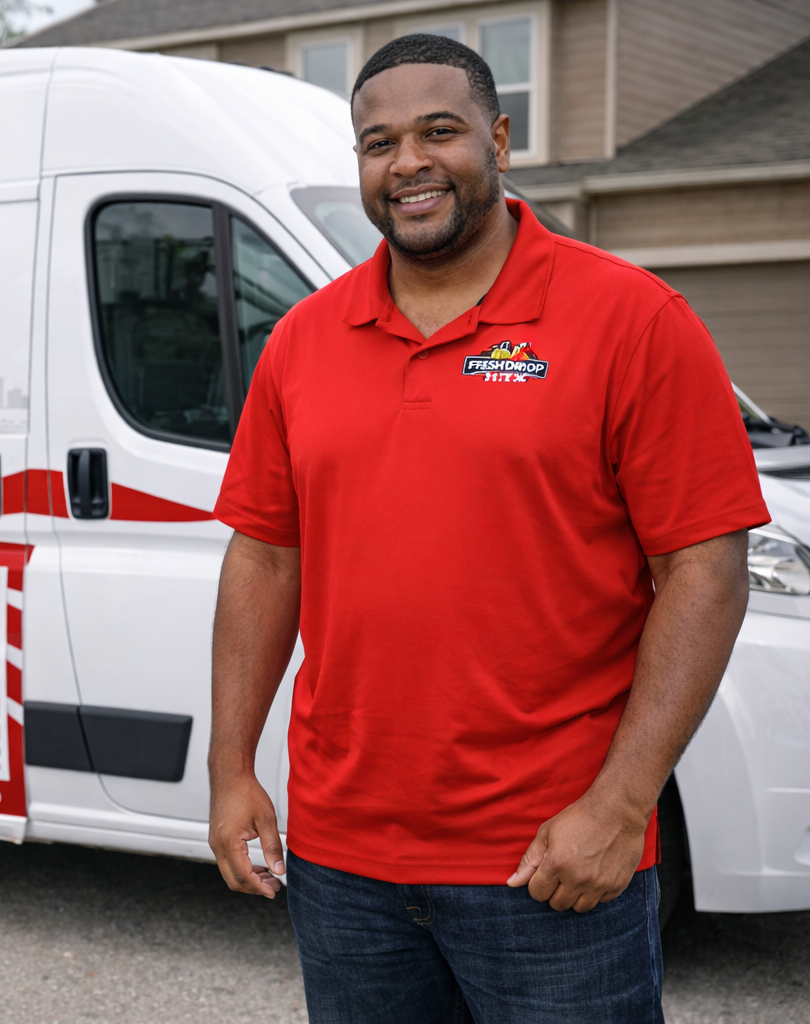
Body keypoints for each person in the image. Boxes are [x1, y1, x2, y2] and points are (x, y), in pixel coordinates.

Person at [207, 33, 769, 1023]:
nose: (408, 163)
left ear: (499, 140)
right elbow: (263, 558)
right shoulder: (302, 341)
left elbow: (705, 570)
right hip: (343, 865)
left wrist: (620, 805)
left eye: (439, 131)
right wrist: (230, 769)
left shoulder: (632, 319)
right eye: (379, 142)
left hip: (548, 860)